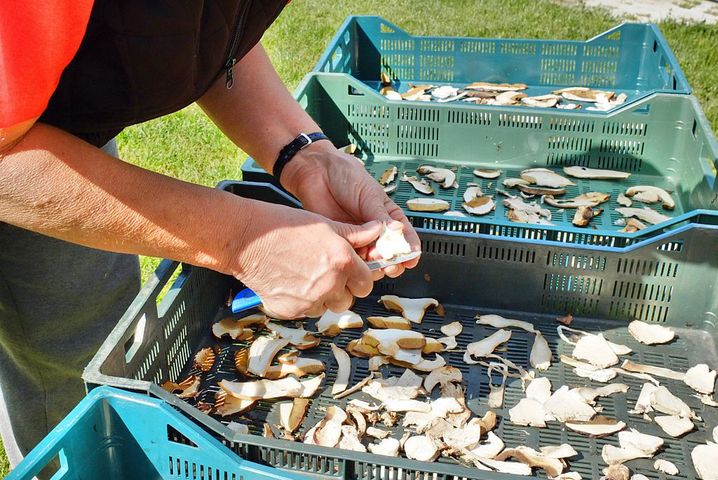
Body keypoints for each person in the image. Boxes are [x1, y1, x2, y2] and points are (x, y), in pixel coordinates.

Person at [0, 0, 420, 465]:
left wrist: (307, 158)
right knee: (65, 371)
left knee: (92, 328)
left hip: (47, 122)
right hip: (15, 154)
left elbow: (204, 30)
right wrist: (244, 240)